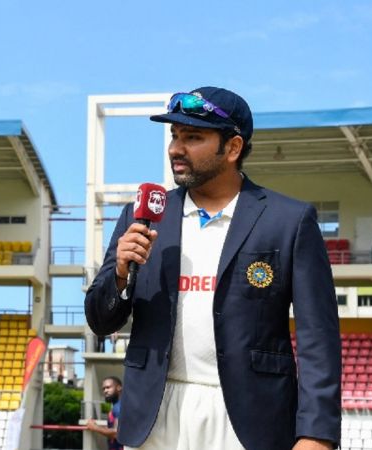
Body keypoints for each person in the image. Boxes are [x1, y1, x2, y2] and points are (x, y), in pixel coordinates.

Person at [85, 87, 341, 450]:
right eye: (174, 136)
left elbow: (319, 338)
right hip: (153, 417)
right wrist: (120, 275)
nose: (176, 148)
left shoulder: (289, 221)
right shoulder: (141, 217)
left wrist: (317, 435)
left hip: (248, 419)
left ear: (233, 148)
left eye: (193, 137)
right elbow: (99, 319)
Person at [86, 376, 123, 450]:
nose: (105, 391)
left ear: (119, 388)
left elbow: (117, 433)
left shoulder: (119, 407)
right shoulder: (116, 406)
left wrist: (94, 427)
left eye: (108, 387)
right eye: (104, 389)